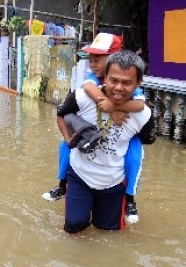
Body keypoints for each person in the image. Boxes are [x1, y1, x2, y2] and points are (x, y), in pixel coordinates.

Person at [42, 33, 146, 224]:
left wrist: (115, 107)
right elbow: (88, 88)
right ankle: (62, 185)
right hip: (86, 147)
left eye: (98, 59)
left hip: (121, 146)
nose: (93, 64)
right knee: (66, 147)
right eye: (91, 59)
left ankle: (130, 198)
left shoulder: (128, 79)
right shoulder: (93, 80)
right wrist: (106, 103)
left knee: (134, 157)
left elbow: (140, 105)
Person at [57, 50, 156, 233]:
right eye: (114, 80)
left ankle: (129, 199)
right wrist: (68, 139)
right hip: (80, 175)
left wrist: (119, 110)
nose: (118, 88)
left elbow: (147, 140)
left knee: (108, 233)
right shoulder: (82, 97)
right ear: (105, 77)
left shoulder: (143, 115)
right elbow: (60, 114)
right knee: (74, 226)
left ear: (138, 83)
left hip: (114, 183)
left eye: (127, 83)